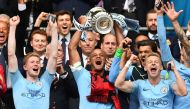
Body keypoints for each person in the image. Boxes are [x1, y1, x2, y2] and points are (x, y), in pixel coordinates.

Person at [8, 15, 58, 109]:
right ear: (25, 67)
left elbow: (54, 56)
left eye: (37, 62)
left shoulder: (46, 81)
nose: (36, 64)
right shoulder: (17, 80)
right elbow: (11, 54)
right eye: (32, 62)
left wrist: (54, 29)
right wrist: (12, 27)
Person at [69, 30, 121, 109]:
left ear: (106, 60)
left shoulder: (113, 77)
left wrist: (115, 24)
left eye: (101, 55)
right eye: (94, 55)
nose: (98, 57)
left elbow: (123, 50)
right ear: (89, 61)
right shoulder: (82, 75)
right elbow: (71, 48)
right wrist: (81, 27)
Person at [115, 52, 187, 109]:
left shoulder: (169, 83)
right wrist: (129, 62)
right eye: (150, 62)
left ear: (161, 67)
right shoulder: (139, 84)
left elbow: (183, 92)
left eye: (156, 62)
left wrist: (174, 69)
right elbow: (118, 84)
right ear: (145, 67)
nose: (153, 63)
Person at [156, 2, 190, 109]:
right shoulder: (172, 66)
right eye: (186, 48)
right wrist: (160, 16)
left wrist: (175, 22)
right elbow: (162, 41)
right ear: (181, 52)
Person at [45, 44, 79, 109]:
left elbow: (75, 94)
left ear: (63, 55)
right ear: (46, 55)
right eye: (53, 50)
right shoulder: (38, 70)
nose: (56, 53)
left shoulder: (71, 71)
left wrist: (63, 73)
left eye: (59, 50)